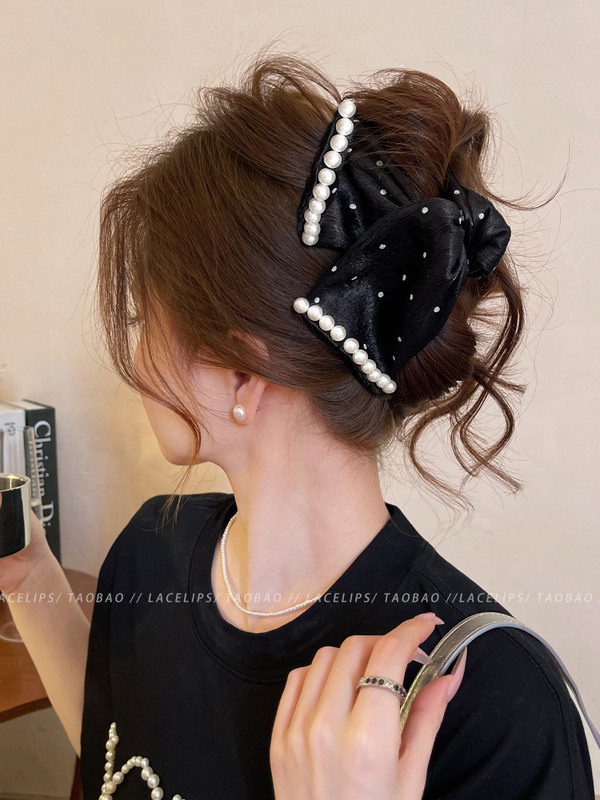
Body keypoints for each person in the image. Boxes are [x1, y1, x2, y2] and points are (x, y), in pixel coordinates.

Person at [0, 48, 595, 800]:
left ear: (240, 373)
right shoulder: (151, 552)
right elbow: (122, 754)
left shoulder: (490, 705)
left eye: (142, 322)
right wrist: (28, 575)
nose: (134, 360)